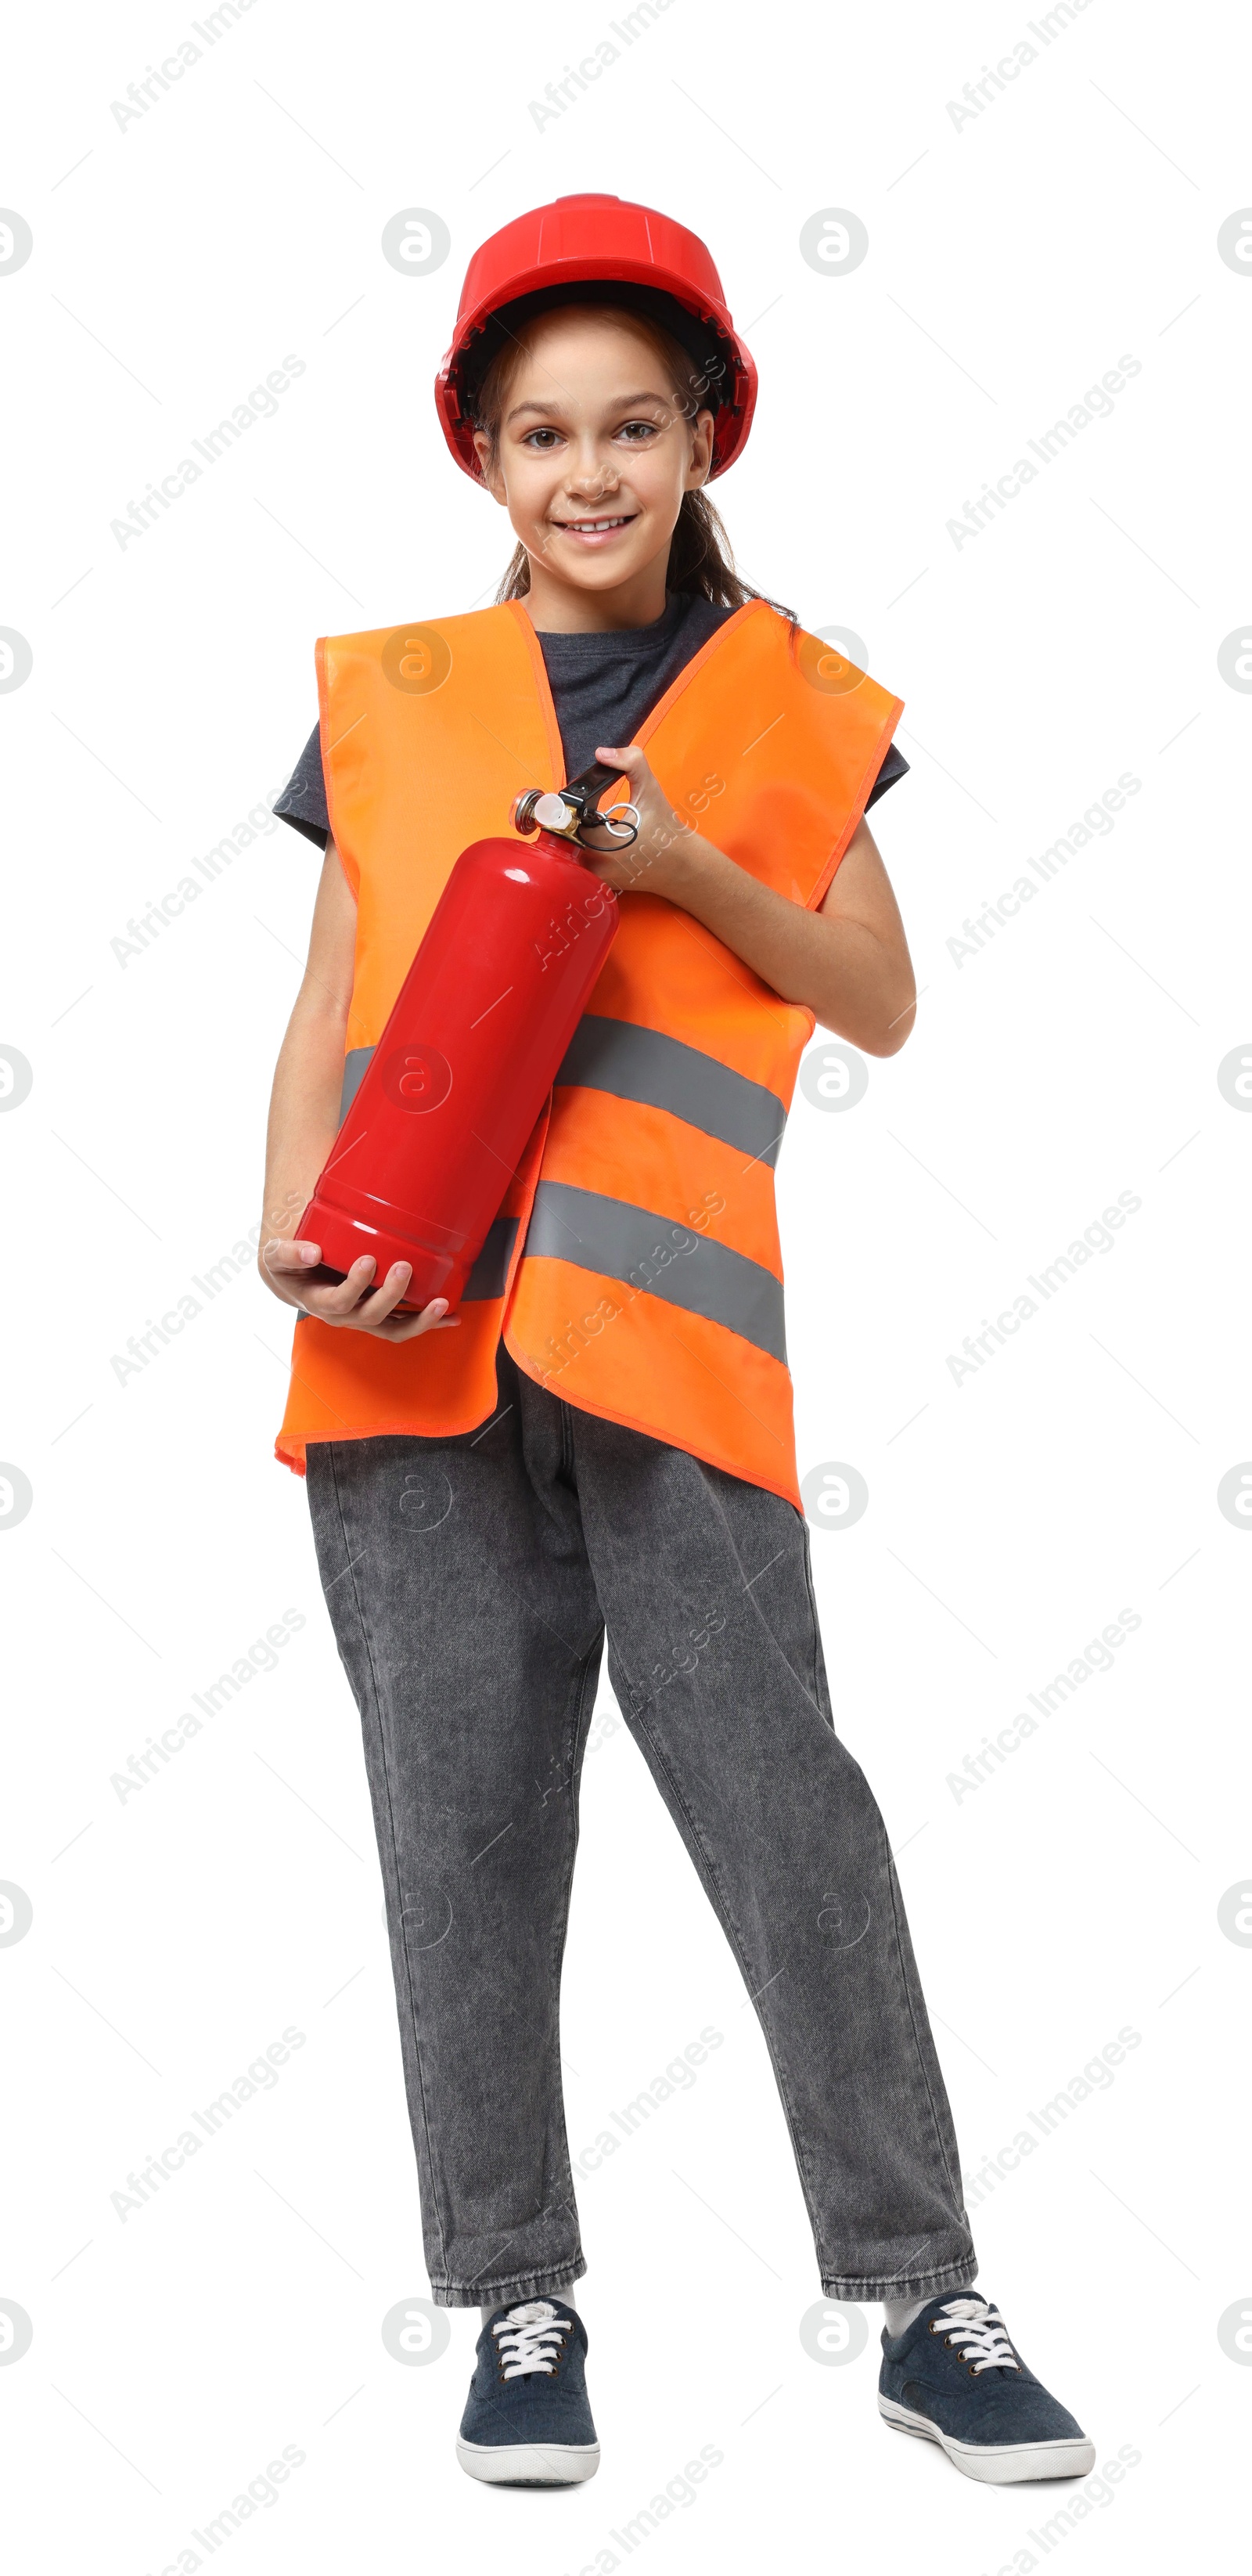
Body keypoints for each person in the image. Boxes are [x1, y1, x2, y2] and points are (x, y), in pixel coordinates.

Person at [259, 194, 1093, 2491]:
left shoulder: (789, 704)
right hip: (409, 1352)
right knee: (460, 1833)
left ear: (707, 428)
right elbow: (337, 994)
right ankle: (520, 2300)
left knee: (780, 1807)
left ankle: (925, 2294)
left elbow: (880, 1001)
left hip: (667, 1355)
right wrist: (280, 1218)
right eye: (545, 434)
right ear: (481, 453)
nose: (592, 473)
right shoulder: (397, 694)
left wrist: (690, 873)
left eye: (635, 424)